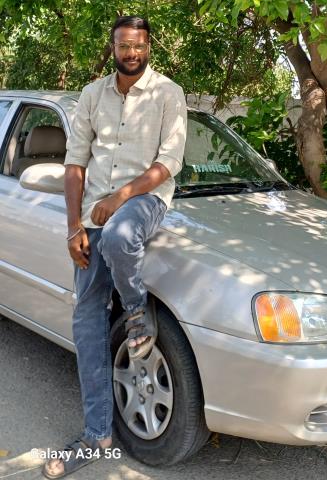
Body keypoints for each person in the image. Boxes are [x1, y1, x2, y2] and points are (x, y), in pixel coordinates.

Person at [42, 15, 187, 479]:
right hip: (92, 213)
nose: (132, 53)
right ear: (113, 48)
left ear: (149, 47)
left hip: (144, 199)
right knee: (86, 319)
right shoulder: (92, 95)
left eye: (139, 45)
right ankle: (97, 436)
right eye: (124, 45)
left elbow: (169, 162)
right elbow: (75, 161)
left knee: (123, 236)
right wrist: (74, 227)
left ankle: (136, 312)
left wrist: (120, 197)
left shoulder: (168, 93)